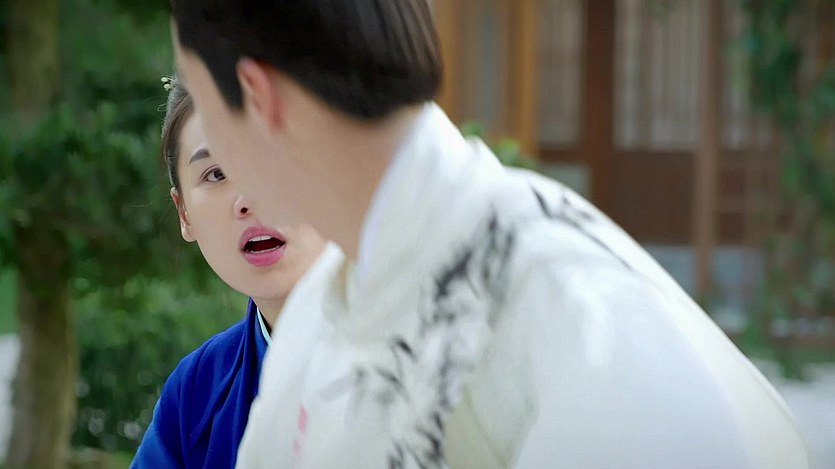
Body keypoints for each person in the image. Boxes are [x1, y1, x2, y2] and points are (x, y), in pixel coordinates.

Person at [169, 1, 810, 467]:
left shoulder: (580, 312)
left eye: (202, 98)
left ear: (256, 94)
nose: (221, 170)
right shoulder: (323, 309)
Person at [130, 77, 327, 468]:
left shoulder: (431, 350)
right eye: (216, 174)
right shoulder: (195, 392)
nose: (247, 198)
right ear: (184, 214)